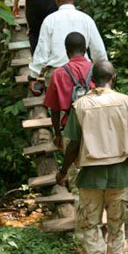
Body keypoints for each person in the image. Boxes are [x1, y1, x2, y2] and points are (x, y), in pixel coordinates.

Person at [57, 60, 128, 254]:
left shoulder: (80, 105)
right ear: (113, 77)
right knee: (116, 226)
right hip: (120, 175)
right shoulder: (127, 103)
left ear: (92, 80)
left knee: (89, 224)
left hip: (90, 176)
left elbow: (73, 145)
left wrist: (63, 171)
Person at [28, 0, 107, 93]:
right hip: (84, 75)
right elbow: (99, 52)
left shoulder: (50, 20)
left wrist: (33, 76)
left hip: (57, 75)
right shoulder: (86, 19)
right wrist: (103, 75)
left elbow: (42, 52)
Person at [44, 31, 95, 192]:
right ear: (85, 49)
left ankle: (79, 206)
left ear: (66, 51)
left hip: (70, 129)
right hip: (96, 127)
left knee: (76, 178)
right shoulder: (97, 70)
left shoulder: (58, 74)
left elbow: (54, 109)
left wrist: (58, 134)